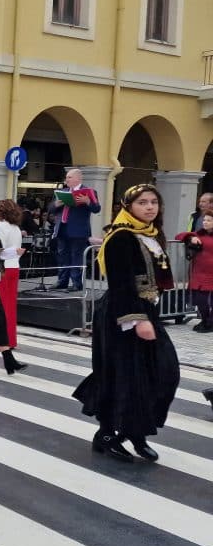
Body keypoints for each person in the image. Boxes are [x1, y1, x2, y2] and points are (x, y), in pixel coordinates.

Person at [73, 184, 180, 462]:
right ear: (128, 206)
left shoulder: (152, 235)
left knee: (160, 371)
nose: (149, 207)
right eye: (142, 202)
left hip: (146, 310)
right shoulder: (121, 237)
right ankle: (108, 433)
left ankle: (134, 431)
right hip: (122, 314)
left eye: (153, 202)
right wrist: (136, 320)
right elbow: (120, 283)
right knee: (122, 375)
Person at [0, 200, 29, 372]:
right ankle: (11, 340)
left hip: (4, 268)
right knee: (11, 306)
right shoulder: (15, 228)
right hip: (15, 267)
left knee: (2, 307)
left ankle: (3, 340)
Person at [50, 168, 101, 291]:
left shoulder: (89, 191)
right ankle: (62, 281)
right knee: (62, 256)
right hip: (62, 228)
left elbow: (96, 209)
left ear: (78, 178)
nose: (66, 179)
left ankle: (76, 283)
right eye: (67, 177)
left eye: (69, 177)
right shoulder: (62, 191)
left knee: (76, 256)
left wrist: (87, 201)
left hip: (78, 231)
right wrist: (56, 204)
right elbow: (51, 208)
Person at [176, 211, 213, 332]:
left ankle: (209, 322)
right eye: (204, 220)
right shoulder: (199, 234)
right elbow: (179, 236)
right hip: (198, 272)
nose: (205, 222)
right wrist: (191, 237)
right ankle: (206, 320)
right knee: (199, 299)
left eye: (209, 220)